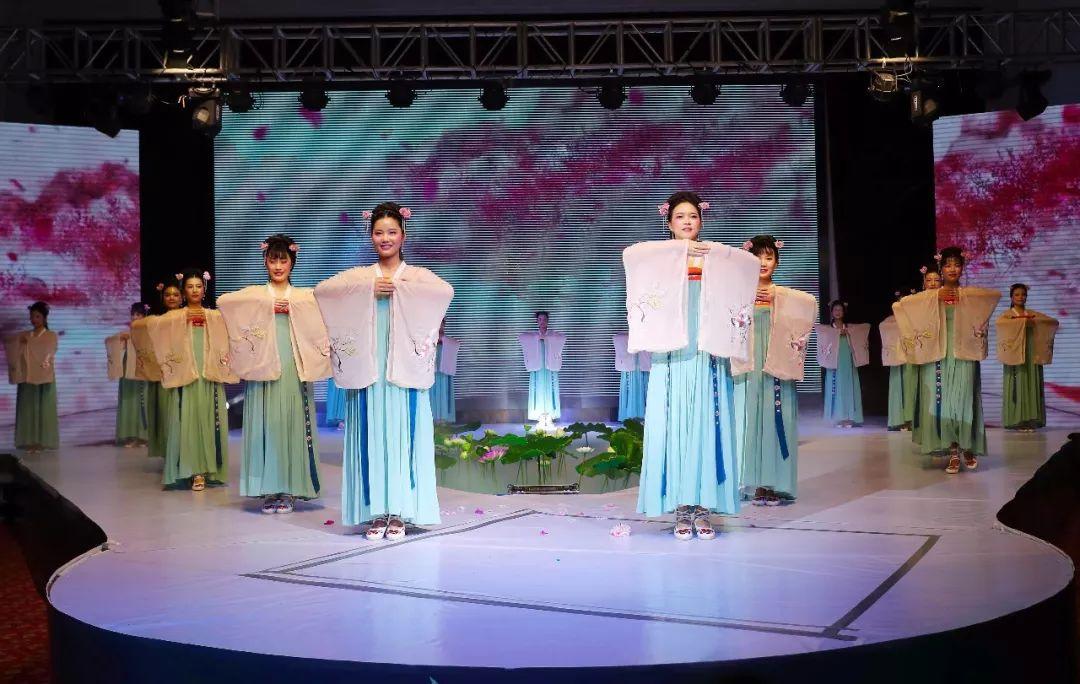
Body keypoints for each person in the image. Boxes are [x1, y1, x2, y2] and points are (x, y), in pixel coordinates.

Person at [624, 191, 759, 539]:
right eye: (680, 216)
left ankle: (704, 507)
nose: (687, 222)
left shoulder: (715, 256)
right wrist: (678, 252)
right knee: (675, 424)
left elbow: (749, 266)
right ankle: (681, 507)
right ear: (668, 222)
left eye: (693, 216)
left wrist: (714, 254)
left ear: (702, 220)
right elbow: (631, 255)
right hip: (673, 353)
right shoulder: (659, 257)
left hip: (707, 351)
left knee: (706, 422)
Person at [315, 202, 453, 540]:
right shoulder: (360, 277)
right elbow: (322, 291)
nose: (385, 238)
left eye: (392, 232)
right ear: (371, 236)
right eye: (379, 233)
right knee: (370, 436)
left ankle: (402, 511)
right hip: (369, 373)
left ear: (404, 234)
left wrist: (402, 289)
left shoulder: (416, 276)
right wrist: (367, 291)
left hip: (403, 373)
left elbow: (445, 292)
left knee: (403, 436)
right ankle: (375, 511)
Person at [219, 234, 331, 513]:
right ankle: (269, 488)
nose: (278, 266)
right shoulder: (257, 295)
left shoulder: (304, 297)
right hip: (263, 366)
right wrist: (264, 308)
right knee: (266, 424)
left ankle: (291, 488)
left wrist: (294, 309)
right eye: (273, 260)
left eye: (283, 260)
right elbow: (224, 302)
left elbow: (326, 314)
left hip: (294, 365)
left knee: (292, 423)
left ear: (293, 262)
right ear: (265, 262)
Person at [894, 247, 1000, 474]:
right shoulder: (932, 296)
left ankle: (967, 446)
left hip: (964, 355)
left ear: (963, 268)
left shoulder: (969, 295)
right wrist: (935, 296)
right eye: (948, 265)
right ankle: (953, 451)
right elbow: (901, 306)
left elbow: (993, 297)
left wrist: (964, 298)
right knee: (944, 404)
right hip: (939, 355)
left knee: (964, 400)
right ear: (941, 269)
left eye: (957, 264)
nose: (952, 269)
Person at [733, 235, 817, 506]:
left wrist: (777, 296)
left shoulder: (784, 295)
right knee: (749, 419)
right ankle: (753, 481)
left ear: (777, 262)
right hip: (749, 365)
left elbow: (810, 305)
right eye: (757, 257)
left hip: (776, 364)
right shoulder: (738, 293)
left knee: (775, 418)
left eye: (769, 258)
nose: (763, 263)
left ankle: (775, 483)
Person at [146, 270, 237, 490]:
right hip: (186, 376)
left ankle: (205, 471)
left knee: (208, 421)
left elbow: (234, 330)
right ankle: (189, 469)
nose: (195, 290)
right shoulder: (174, 316)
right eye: (190, 286)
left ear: (204, 289)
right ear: (183, 291)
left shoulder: (215, 316)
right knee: (186, 421)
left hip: (209, 376)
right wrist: (179, 320)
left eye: (198, 286)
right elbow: (150, 326)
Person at [996, 283, 1058, 431]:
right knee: (1018, 383)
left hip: (1031, 352)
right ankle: (1017, 420)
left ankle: (1031, 419)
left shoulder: (1032, 313)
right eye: (1017, 294)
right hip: (1015, 354)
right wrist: (1023, 322)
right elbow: (1000, 325)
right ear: (1011, 297)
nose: (1020, 297)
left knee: (1032, 382)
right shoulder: (1007, 315)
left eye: (1023, 294)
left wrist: (1034, 322)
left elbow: (1051, 322)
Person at [4, 302, 59, 451]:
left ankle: (42, 441)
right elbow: (9, 342)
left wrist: (31, 344)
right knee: (27, 408)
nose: (34, 320)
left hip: (44, 376)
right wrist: (19, 343)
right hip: (27, 377)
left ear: (44, 318)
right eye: (32, 316)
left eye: (37, 316)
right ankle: (29, 440)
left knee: (43, 408)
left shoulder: (51, 335)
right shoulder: (25, 335)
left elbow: (49, 351)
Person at [816, 300, 869, 428]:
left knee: (849, 386)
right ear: (832, 312)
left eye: (840, 310)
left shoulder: (849, 327)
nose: (838, 312)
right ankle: (838, 418)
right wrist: (837, 333)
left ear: (844, 312)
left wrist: (849, 332)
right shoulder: (829, 329)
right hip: (834, 361)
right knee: (837, 388)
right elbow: (819, 331)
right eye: (835, 310)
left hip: (848, 361)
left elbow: (866, 327)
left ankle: (850, 418)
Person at [106, 302, 151, 447]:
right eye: (133, 314)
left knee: (142, 401)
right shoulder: (127, 333)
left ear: (144, 316)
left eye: (138, 314)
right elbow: (112, 344)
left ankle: (144, 436)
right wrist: (121, 340)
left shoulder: (150, 331)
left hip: (142, 369)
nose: (134, 317)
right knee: (128, 401)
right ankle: (130, 435)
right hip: (128, 368)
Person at [518, 311, 565, 428]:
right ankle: (539, 416)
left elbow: (562, 338)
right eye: (539, 319)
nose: (542, 322)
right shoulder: (533, 335)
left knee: (550, 389)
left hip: (549, 366)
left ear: (547, 321)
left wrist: (548, 338)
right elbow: (522, 337)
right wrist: (537, 338)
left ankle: (550, 416)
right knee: (537, 388)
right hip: (538, 367)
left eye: (544, 319)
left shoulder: (552, 335)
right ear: (537, 321)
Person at [613, 332, 650, 421]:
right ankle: (637, 414)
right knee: (637, 385)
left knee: (636, 385)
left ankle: (634, 414)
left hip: (635, 365)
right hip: (635, 365)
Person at [431, 318, 461, 423]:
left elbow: (456, 344)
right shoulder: (429, 340)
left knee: (444, 395)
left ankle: (445, 420)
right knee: (433, 394)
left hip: (444, 374)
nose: (440, 326)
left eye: (442, 323)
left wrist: (443, 340)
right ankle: (433, 419)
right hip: (432, 373)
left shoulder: (449, 341)